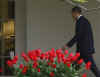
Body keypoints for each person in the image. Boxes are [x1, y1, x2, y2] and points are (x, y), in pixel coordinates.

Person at [62, 6, 100, 77]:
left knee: (92, 67)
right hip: (82, 50)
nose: (72, 16)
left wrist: (67, 45)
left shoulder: (80, 21)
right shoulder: (84, 21)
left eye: (72, 14)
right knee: (74, 67)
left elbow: (78, 35)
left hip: (85, 50)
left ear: (75, 13)